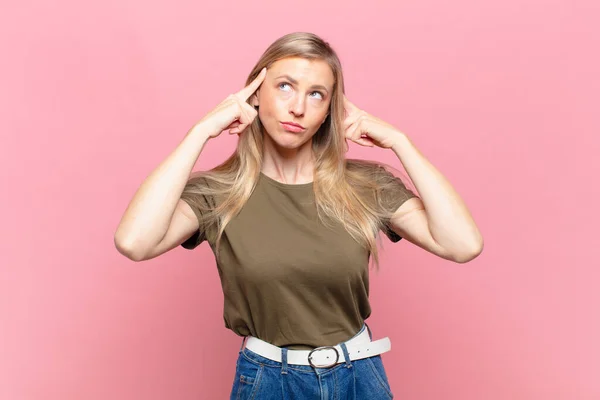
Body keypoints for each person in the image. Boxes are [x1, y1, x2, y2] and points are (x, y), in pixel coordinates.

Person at [114, 32, 483, 399]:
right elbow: (135, 242)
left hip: (359, 378)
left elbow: (462, 244)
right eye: (285, 87)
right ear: (255, 93)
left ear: (328, 112)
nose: (298, 108)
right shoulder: (219, 192)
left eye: (316, 94)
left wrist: (400, 142)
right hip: (268, 381)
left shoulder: (366, 185)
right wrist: (201, 132)